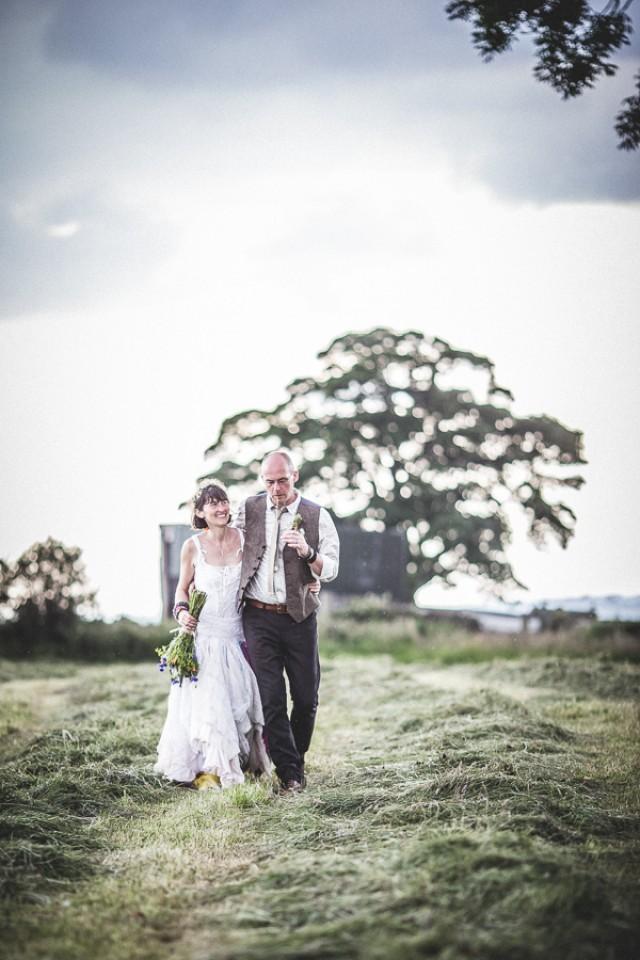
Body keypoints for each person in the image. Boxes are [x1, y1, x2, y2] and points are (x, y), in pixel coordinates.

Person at [235, 449, 340, 793]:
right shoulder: (248, 509)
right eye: (269, 482)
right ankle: (290, 775)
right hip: (257, 615)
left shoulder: (316, 515)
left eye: (282, 480)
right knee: (272, 697)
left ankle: (295, 757)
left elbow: (334, 568)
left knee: (307, 697)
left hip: (299, 617)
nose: (276, 488)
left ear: (295, 476)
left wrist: (309, 555)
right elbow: (227, 545)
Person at [155, 481, 271, 789]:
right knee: (210, 705)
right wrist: (182, 613)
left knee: (240, 702)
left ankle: (243, 765)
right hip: (204, 639)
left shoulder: (246, 541)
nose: (222, 508)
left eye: (224, 502)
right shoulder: (191, 547)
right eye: (213, 504)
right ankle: (210, 773)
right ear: (200, 512)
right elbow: (181, 588)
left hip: (237, 636)